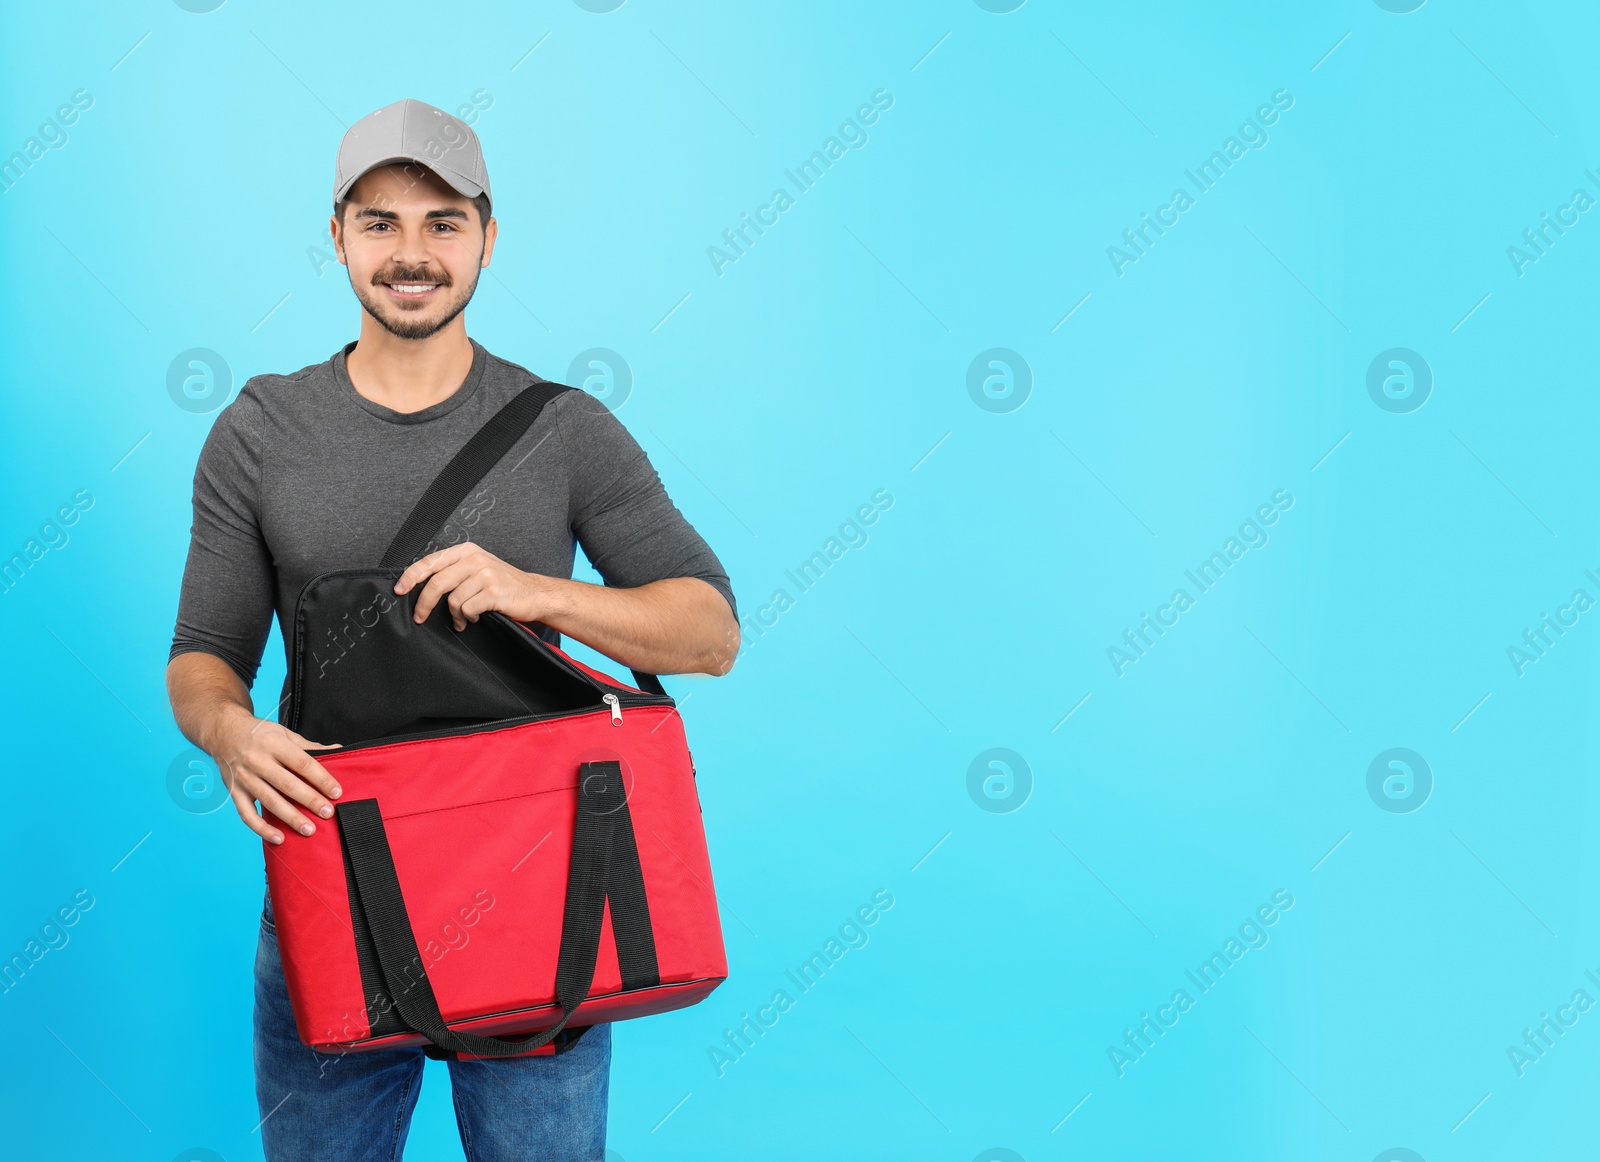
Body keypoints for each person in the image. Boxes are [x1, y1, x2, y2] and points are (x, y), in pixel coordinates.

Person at [164, 97, 739, 1162]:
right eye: (379, 222)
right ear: (336, 236)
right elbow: (203, 653)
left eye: (442, 221)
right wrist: (231, 735)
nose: (411, 253)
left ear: (487, 235)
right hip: (333, 888)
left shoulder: (565, 429)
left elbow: (709, 633)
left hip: (542, 893)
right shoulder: (258, 431)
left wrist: (540, 592)